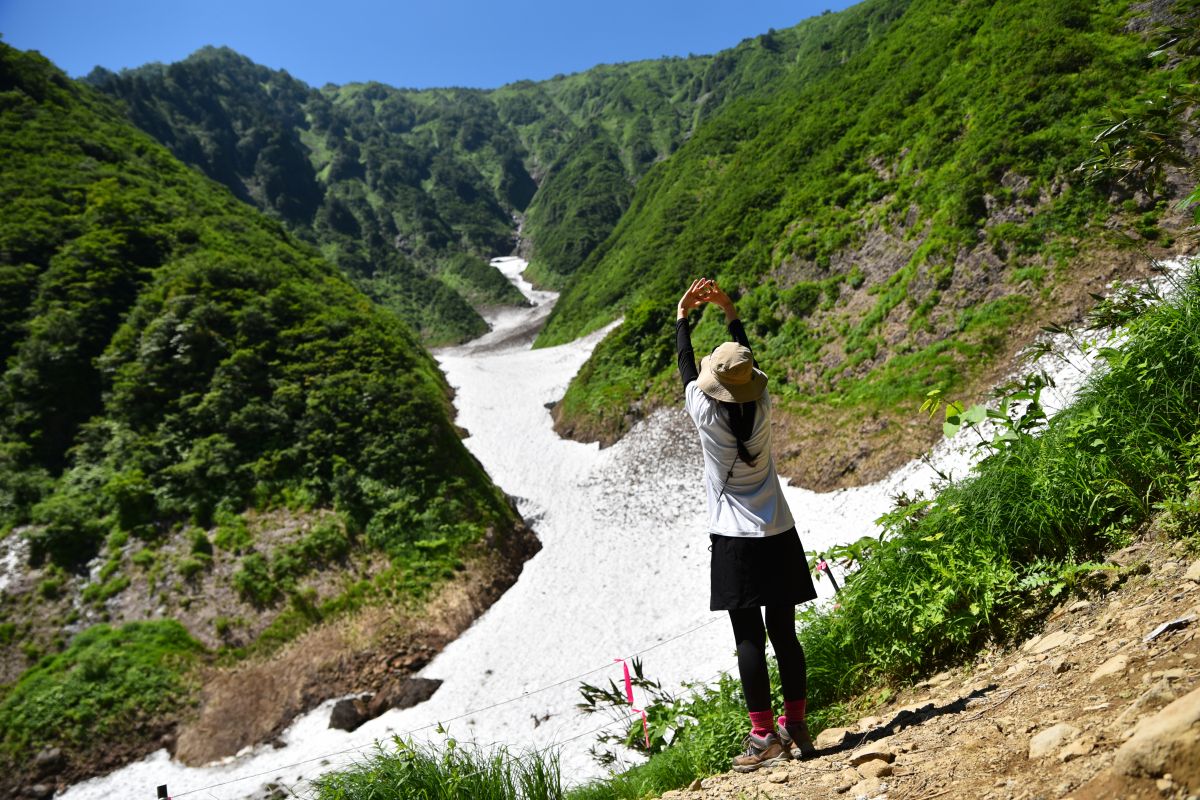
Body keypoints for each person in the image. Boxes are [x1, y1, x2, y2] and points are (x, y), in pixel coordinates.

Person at [675, 277, 818, 772]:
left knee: (748, 640)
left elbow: (686, 371)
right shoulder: (762, 404)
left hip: (735, 541)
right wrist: (730, 310)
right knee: (786, 635)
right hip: (778, 530)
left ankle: (762, 737)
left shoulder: (703, 411)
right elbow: (747, 364)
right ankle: (795, 724)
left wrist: (683, 317)